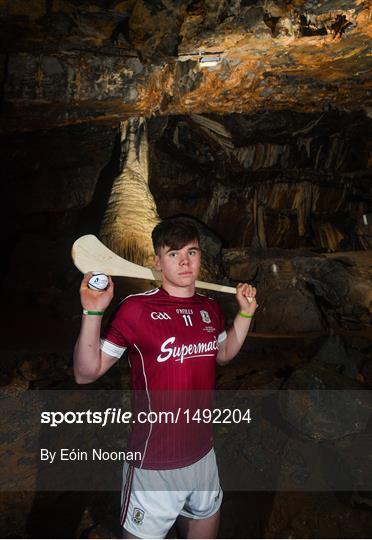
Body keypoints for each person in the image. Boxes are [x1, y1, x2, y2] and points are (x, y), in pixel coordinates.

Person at [74, 217, 257, 539]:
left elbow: (222, 354)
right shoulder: (136, 310)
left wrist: (245, 313)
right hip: (153, 463)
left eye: (192, 252)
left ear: (201, 257)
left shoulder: (210, 308)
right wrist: (93, 311)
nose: (185, 262)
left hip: (203, 456)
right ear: (158, 262)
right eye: (173, 254)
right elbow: (86, 373)